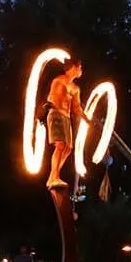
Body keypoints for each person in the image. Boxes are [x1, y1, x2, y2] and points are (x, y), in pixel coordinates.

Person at [45, 58, 92, 189]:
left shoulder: (76, 88)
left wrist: (87, 120)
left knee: (68, 148)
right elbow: (51, 97)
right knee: (60, 146)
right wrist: (48, 106)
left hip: (66, 118)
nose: (81, 70)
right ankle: (54, 177)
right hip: (56, 114)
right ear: (73, 67)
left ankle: (53, 176)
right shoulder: (59, 80)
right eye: (80, 67)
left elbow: (76, 108)